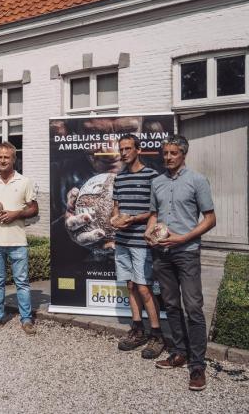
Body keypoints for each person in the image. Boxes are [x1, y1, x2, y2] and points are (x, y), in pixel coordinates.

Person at [144, 135, 216, 391]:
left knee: (194, 308)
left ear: (183, 154)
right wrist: (149, 230)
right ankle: (179, 352)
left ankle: (197, 366)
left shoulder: (197, 180)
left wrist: (182, 238)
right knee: (171, 305)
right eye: (165, 153)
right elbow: (154, 214)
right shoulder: (157, 182)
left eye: (173, 153)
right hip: (162, 254)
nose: (168, 157)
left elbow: (210, 219)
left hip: (186, 252)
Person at [110, 134, 164, 358]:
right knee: (131, 285)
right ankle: (137, 329)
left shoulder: (152, 176)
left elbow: (155, 211)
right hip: (122, 241)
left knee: (144, 287)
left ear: (138, 150)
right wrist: (115, 219)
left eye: (128, 149)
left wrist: (133, 219)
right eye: (121, 149)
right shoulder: (119, 178)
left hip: (141, 241)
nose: (124, 153)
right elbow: (116, 207)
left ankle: (157, 335)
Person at [0, 142, 39, 335]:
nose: (3, 160)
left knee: (21, 281)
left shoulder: (24, 181)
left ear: (14, 159)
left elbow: (34, 208)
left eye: (7, 157)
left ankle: (26, 319)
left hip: (17, 241)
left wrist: (16, 214)